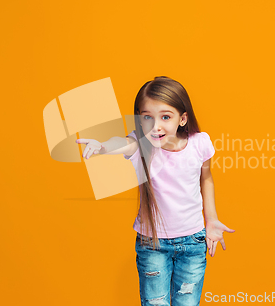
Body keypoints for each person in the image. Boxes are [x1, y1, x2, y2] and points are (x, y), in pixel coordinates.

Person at [76, 76, 234, 306]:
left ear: (182, 119)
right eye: (147, 117)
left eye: (165, 117)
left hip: (193, 243)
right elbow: (122, 142)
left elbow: (206, 179)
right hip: (153, 245)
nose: (155, 125)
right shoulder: (142, 145)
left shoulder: (199, 143)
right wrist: (102, 147)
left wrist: (212, 220)